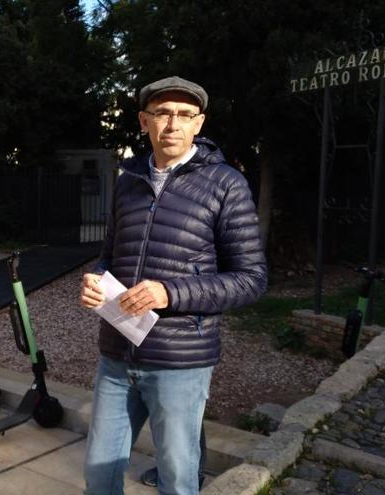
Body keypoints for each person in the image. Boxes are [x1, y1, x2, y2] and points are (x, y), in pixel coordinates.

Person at [79, 76, 267, 495]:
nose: (172, 124)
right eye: (163, 113)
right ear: (144, 121)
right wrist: (96, 280)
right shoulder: (128, 181)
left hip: (180, 362)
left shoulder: (226, 184)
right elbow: (110, 253)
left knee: (178, 479)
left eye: (184, 115)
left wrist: (170, 293)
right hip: (116, 355)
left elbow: (252, 280)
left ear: (199, 123)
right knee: (98, 473)